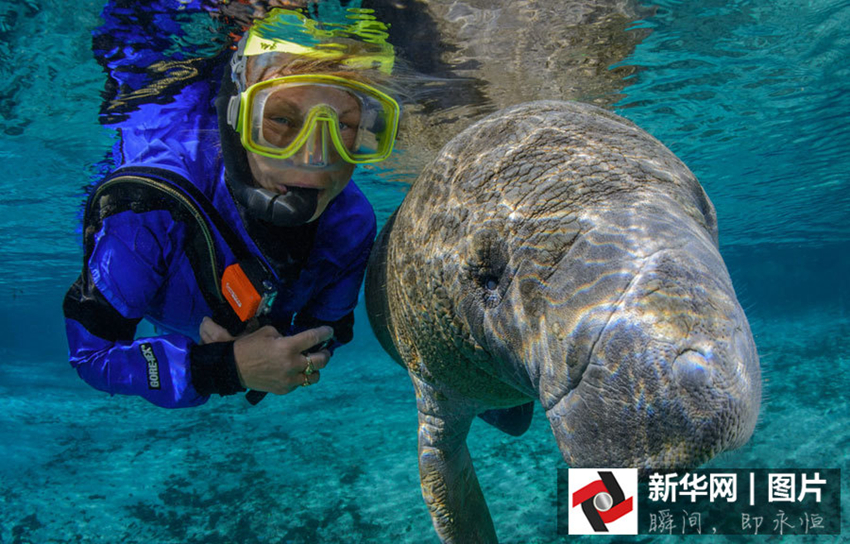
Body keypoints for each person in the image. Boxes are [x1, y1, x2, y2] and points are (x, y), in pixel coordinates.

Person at [63, 6, 401, 408]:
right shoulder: (147, 211)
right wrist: (224, 368)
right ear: (236, 119)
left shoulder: (352, 223)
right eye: (280, 119)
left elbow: (326, 330)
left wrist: (285, 357)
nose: (315, 156)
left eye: (344, 125)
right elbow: (92, 357)